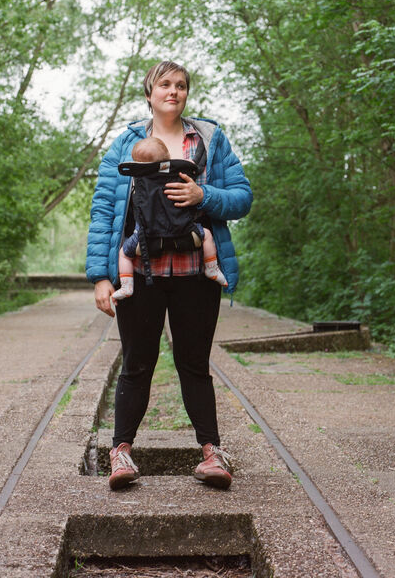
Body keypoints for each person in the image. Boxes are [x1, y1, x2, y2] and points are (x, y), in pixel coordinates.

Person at [86, 60, 253, 491]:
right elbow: (104, 210)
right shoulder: (124, 144)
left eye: (180, 85)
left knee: (194, 364)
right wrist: (101, 277)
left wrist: (204, 194)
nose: (173, 91)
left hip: (196, 272)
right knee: (136, 364)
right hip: (141, 273)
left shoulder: (210, 141)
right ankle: (121, 453)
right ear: (149, 92)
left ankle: (212, 454)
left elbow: (241, 198)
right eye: (165, 84)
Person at [111, 135, 228, 302]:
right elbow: (197, 164)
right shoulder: (181, 170)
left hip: (144, 239)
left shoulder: (139, 177)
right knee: (207, 235)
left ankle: (127, 285)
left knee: (124, 254)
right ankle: (212, 268)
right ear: (167, 157)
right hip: (186, 232)